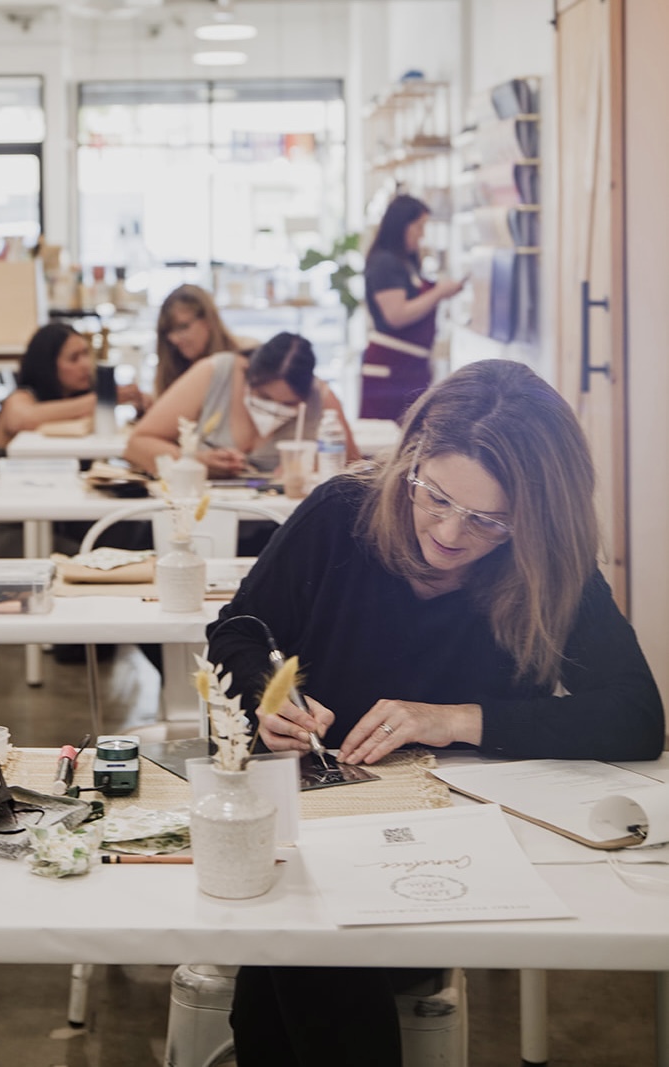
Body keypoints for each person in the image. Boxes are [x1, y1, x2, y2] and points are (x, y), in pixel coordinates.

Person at [206, 358, 664, 1066]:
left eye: (489, 520)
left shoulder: (551, 563)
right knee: (304, 938)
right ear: (411, 462)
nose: (450, 533)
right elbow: (239, 631)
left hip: (459, 849)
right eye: (435, 497)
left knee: (300, 948)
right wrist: (271, 697)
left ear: (535, 517)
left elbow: (635, 716)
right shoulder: (342, 514)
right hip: (316, 818)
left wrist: (455, 720)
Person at [125, 331, 360, 480]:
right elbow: (137, 444)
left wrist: (314, 471)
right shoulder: (214, 373)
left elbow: (355, 473)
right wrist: (194, 461)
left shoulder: (322, 399)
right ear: (248, 373)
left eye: (288, 404)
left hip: (279, 526)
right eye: (264, 396)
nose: (273, 409)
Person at [0, 322, 146, 472]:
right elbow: (22, 419)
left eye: (86, 354)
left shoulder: (77, 398)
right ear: (48, 364)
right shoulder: (21, 397)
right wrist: (101, 399)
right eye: (74, 358)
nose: (86, 364)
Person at [359, 194, 467, 421]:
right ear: (401, 225)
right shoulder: (384, 262)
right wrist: (438, 293)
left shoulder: (405, 262)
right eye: (419, 227)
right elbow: (396, 315)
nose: (422, 234)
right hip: (390, 371)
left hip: (409, 369)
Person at [154, 284, 252, 397]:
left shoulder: (243, 359)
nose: (174, 339)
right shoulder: (173, 369)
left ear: (208, 319)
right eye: (169, 331)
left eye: (183, 327)